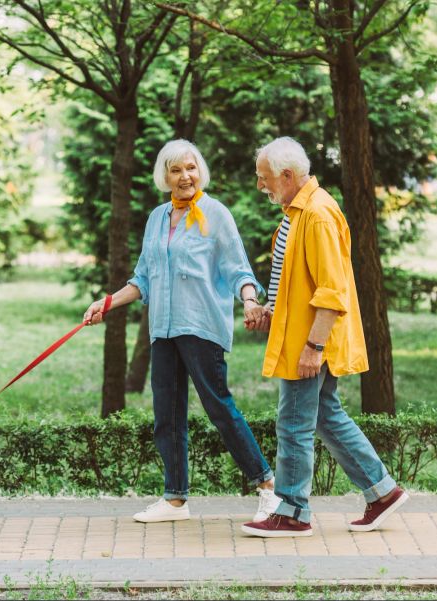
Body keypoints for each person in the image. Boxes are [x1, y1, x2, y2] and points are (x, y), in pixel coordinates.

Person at [84, 139, 279, 523]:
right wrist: (105, 303)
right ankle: (175, 499)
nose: (185, 176)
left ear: (199, 171)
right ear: (166, 176)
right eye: (176, 170)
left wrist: (250, 301)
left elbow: (238, 269)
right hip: (164, 329)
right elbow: (143, 279)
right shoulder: (157, 218)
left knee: (218, 407)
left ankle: (267, 486)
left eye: (190, 168)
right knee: (166, 414)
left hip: (201, 325)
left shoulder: (215, 214)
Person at [240, 137, 408, 538]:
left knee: (294, 424)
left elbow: (331, 292)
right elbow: (297, 282)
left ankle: (293, 511)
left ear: (287, 175)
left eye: (264, 178)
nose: (260, 185)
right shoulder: (296, 212)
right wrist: (271, 311)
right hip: (301, 334)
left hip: (309, 342)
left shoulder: (316, 215)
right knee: (325, 415)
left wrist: (314, 347)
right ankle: (382, 491)